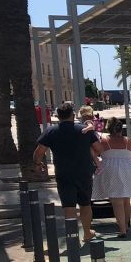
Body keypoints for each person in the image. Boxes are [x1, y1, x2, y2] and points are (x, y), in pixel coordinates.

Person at [33, 102, 102, 243]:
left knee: (69, 205)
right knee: (85, 203)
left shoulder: (51, 131)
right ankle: (87, 232)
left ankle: (72, 236)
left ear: (58, 116)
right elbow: (99, 149)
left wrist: (38, 163)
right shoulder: (84, 130)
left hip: (63, 173)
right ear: (73, 115)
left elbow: (39, 152)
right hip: (84, 173)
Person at [91, 117, 131, 237]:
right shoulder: (128, 141)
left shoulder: (104, 140)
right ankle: (126, 226)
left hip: (111, 169)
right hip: (129, 169)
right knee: (126, 200)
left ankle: (122, 230)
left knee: (116, 201)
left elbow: (95, 152)